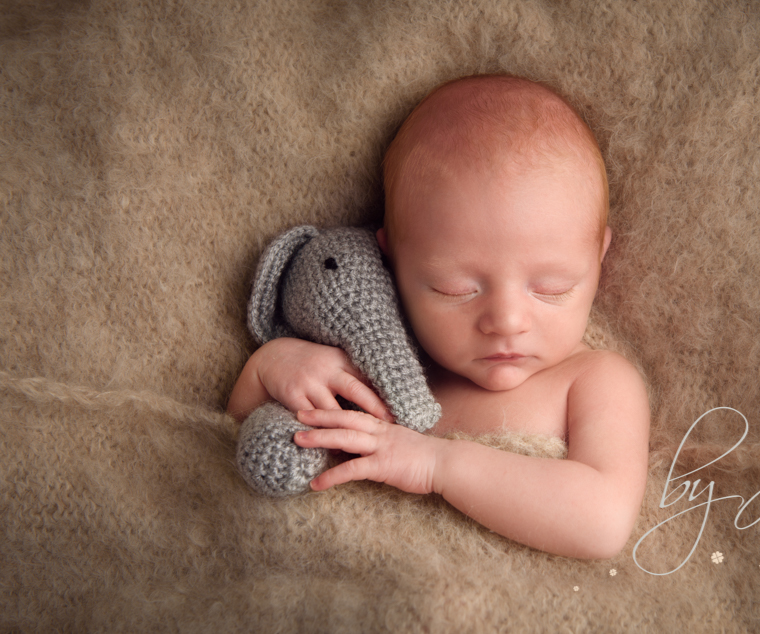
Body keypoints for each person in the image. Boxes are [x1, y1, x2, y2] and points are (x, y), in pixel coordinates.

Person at [227, 75, 650, 559]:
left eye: (551, 288)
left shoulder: (596, 382)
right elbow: (251, 450)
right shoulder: (379, 373)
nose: (507, 320)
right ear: (394, 264)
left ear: (598, 257)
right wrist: (271, 366)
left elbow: (601, 522)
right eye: (456, 289)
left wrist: (436, 465)